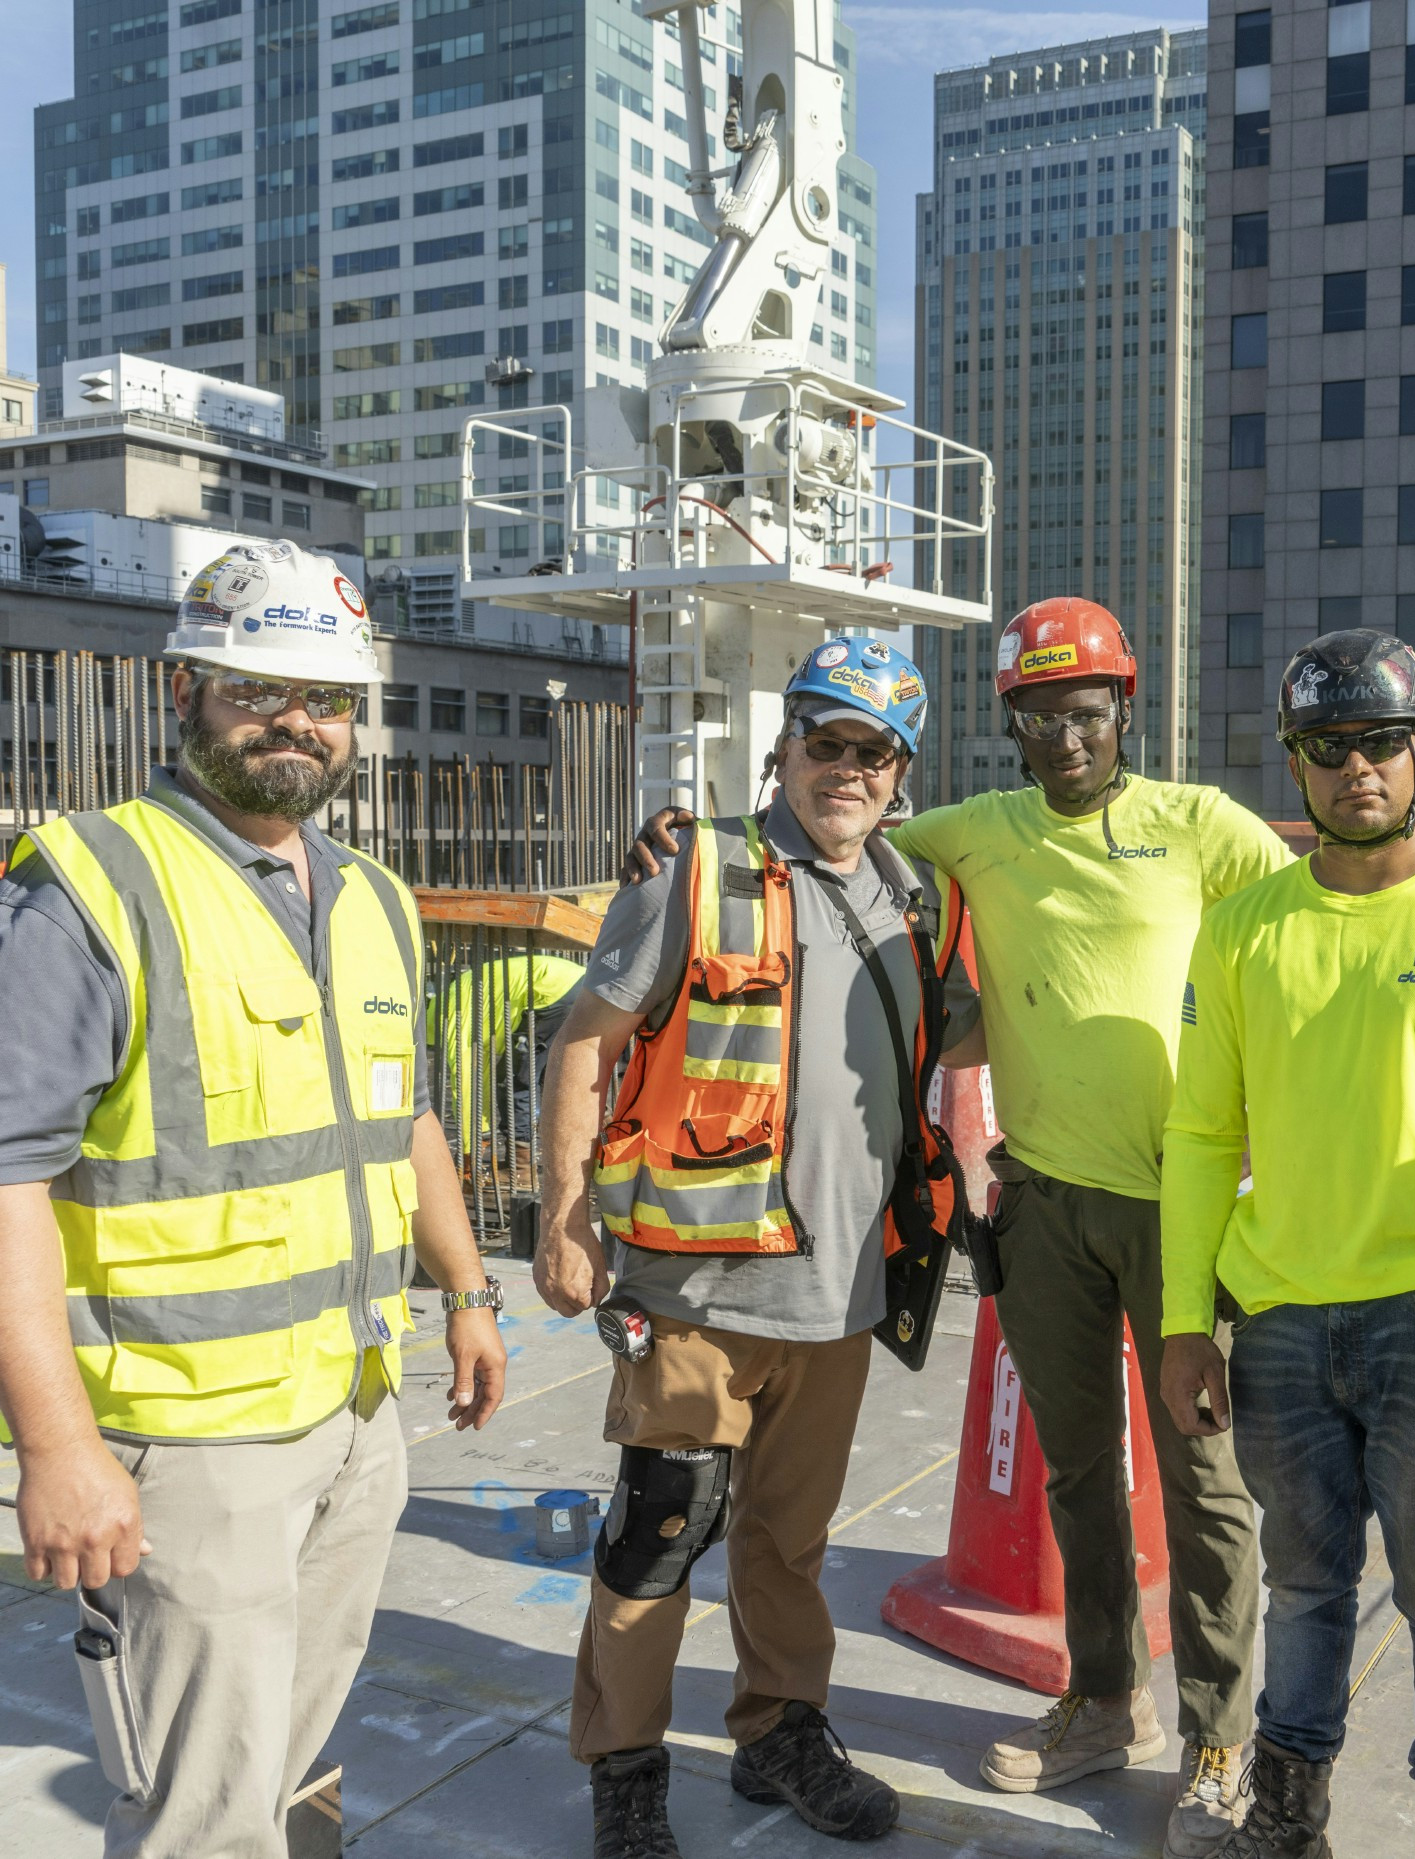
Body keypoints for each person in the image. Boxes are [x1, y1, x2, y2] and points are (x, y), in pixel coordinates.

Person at [632, 600, 1292, 1859]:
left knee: (1205, 1483)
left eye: (1086, 711)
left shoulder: (1201, 827)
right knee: (1079, 1470)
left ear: (1123, 711)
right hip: (1041, 1202)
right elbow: (828, 825)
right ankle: (1105, 1697)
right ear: (1013, 727)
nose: (1066, 736)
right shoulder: (977, 834)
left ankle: (1221, 1733)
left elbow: (1314, 916)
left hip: (1186, 1203)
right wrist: (691, 837)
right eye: (1040, 716)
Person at [0, 540, 508, 1859]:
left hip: (353, 1412)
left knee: (291, 1772)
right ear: (184, 690)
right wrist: (57, 1447)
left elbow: (407, 1120)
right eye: (256, 686)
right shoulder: (93, 887)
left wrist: (466, 1291)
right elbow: (5, 1173)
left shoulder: (375, 900)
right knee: (199, 1817)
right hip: (190, 1443)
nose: (296, 719)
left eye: (327, 696)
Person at [534, 637, 979, 1859]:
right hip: (697, 1288)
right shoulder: (697, 869)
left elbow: (973, 1050)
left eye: (872, 751)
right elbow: (585, 1039)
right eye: (824, 741)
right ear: (784, 745)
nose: (845, 768)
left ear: (902, 772)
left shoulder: (921, 897)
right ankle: (625, 1770)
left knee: (790, 1541)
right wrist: (563, 1212)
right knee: (661, 1531)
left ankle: (780, 1731)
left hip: (838, 1292)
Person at [1161, 629, 1415, 1859]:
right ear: (1295, 766)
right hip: (1283, 1328)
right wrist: (1187, 1322)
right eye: (1328, 745)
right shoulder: (1244, 929)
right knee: (1303, 1589)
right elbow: (1201, 1135)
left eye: (1382, 741)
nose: (1358, 766)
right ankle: (1286, 1816)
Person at [432, 949, 586, 1161]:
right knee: (554, 1075)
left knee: (515, 1079)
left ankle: (521, 1168)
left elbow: (466, 1081)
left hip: (551, 991)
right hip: (578, 981)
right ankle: (604, 1130)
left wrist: (471, 1147)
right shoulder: (461, 994)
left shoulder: (452, 1016)